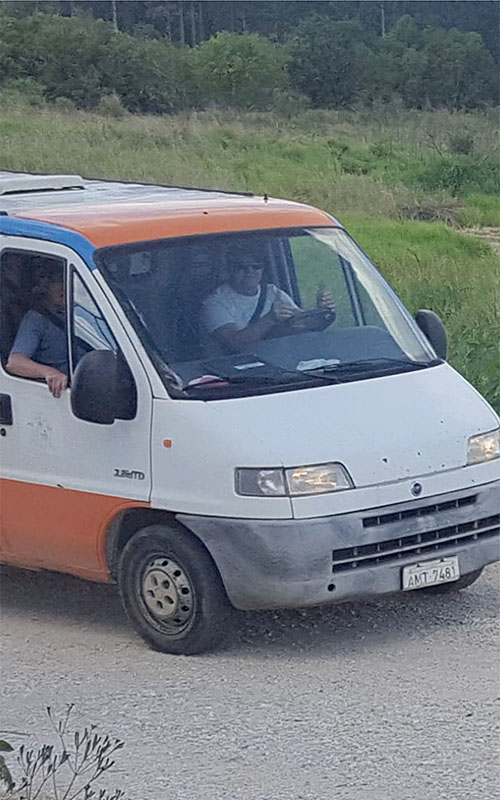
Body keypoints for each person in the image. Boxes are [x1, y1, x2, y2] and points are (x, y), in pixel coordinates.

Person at [202, 248, 336, 354]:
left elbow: (301, 323)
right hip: (233, 370)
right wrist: (270, 319)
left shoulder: (273, 293)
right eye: (242, 266)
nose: (250, 271)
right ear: (229, 270)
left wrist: (321, 312)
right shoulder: (215, 302)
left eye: (256, 266)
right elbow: (234, 343)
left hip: (277, 361)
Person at [6, 261, 68, 398]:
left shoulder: (79, 310)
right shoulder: (36, 319)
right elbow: (15, 362)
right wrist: (49, 372)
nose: (64, 286)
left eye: (66, 280)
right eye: (57, 281)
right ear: (43, 286)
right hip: (62, 394)